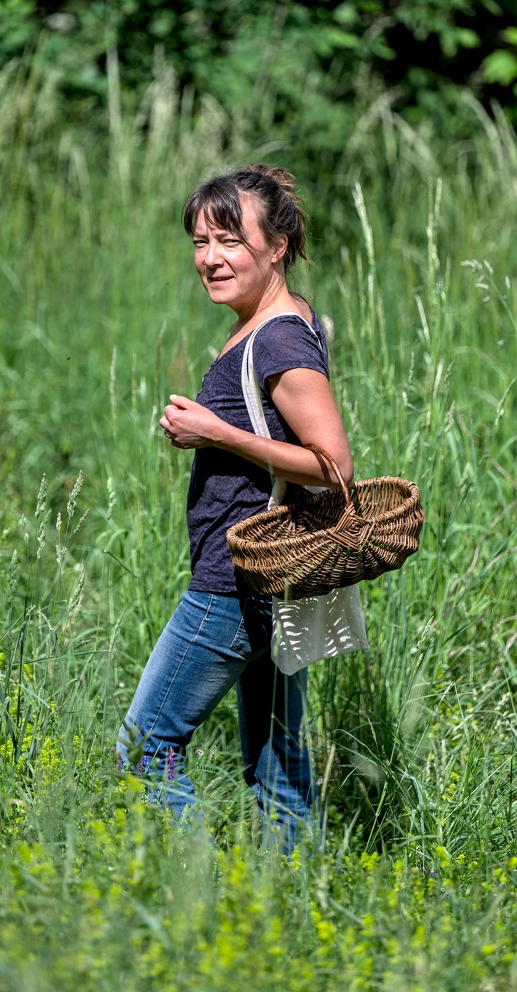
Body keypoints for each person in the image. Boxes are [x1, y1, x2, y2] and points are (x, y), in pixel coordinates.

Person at [117, 165, 356, 848]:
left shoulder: (277, 338)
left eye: (228, 240)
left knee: (145, 747)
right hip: (277, 581)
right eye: (199, 242)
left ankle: (203, 900)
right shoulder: (276, 322)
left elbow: (334, 466)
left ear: (275, 245)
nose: (209, 259)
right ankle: (286, 923)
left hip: (236, 580)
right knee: (278, 767)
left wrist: (215, 434)